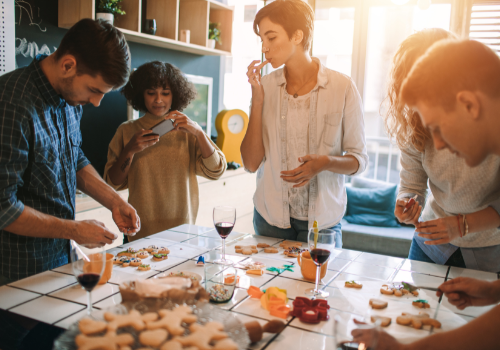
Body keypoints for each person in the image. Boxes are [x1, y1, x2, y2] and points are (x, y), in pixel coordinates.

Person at [0, 19, 139, 349]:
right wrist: (75, 230)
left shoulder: (69, 98)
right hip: (15, 280)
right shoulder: (11, 103)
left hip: (59, 266)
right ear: (68, 65)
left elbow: (73, 158)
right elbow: (2, 207)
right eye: (94, 91)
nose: (96, 103)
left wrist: (113, 201)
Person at [352, 39, 500, 350]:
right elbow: (412, 182)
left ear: (469, 105)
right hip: (433, 249)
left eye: (436, 127)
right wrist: (494, 292)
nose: (439, 146)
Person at [241, 0, 368, 244]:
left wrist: (324, 163)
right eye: (262, 41)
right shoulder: (264, 87)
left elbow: (359, 161)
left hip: (323, 224)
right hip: (270, 221)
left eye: (271, 38)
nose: (264, 49)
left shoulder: (342, 87)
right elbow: (250, 162)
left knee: (318, 283)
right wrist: (257, 100)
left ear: (297, 35)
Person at [383, 29, 500, 272]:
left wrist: (463, 225)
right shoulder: (414, 127)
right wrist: (407, 202)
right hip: (430, 243)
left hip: (488, 248)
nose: (438, 145)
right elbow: (413, 185)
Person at [103, 61, 226, 241]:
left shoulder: (189, 130)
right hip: (139, 234)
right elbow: (112, 183)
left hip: (183, 233)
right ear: (141, 95)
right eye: (151, 93)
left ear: (175, 94)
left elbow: (217, 170)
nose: (158, 99)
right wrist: (129, 150)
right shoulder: (126, 131)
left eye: (165, 93)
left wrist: (199, 133)